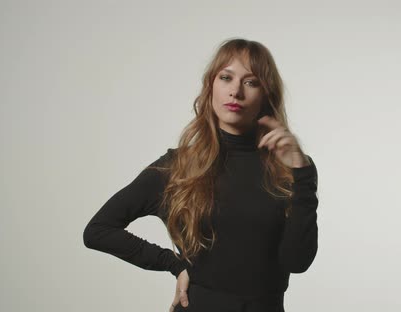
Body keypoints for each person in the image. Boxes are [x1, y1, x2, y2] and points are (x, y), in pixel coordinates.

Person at [83, 38, 319, 312]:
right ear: (210, 87)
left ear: (266, 95)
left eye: (251, 82)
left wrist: (302, 174)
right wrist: (173, 263)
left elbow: (297, 262)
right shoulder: (178, 167)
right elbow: (98, 230)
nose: (235, 91)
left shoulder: (290, 170)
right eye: (226, 78)